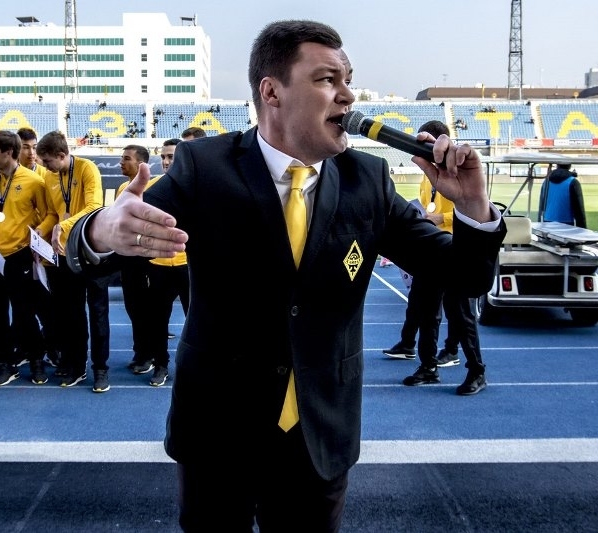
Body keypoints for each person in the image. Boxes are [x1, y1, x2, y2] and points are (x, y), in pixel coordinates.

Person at [64, 20, 506, 531]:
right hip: (218, 431)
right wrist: (100, 229)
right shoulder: (204, 166)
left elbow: (466, 277)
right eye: (327, 79)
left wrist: (473, 205)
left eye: (348, 80)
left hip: (321, 433)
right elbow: (102, 251)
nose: (348, 95)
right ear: (271, 92)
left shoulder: (368, 179)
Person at [388, 120, 489, 396]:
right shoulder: (427, 174)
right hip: (429, 251)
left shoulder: (457, 171)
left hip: (456, 251)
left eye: (428, 144)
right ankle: (428, 367)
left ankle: (477, 371)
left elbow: (470, 213)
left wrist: (439, 218)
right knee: (426, 312)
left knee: (462, 315)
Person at [35, 130, 111, 392]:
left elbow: (94, 206)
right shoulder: (49, 177)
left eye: (47, 161)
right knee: (70, 314)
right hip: (64, 254)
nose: (45, 167)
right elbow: (51, 213)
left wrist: (63, 225)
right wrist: (40, 231)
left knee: (98, 313)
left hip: (91, 251)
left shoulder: (87, 168)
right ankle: (75, 365)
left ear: (61, 155)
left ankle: (100, 369)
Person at [0, 130, 49, 386]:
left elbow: (47, 214)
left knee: (24, 313)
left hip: (19, 255)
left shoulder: (33, 181)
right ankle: (7, 363)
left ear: (8, 152)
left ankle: (36, 360)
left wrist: (40, 231)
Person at [144, 138, 189, 387]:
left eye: (171, 156)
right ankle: (160, 365)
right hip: (158, 264)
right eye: (163, 156)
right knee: (157, 320)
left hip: (189, 266)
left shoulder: (199, 187)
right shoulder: (151, 188)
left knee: (196, 320)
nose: (165, 161)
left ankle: (194, 366)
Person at [115, 144, 155, 374]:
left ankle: (149, 354)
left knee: (146, 309)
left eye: (126, 158)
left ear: (141, 164)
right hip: (127, 256)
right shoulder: (122, 188)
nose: (121, 162)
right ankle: (140, 351)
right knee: (132, 307)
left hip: (146, 257)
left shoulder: (154, 187)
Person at [538, 163, 586, 228]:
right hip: (566, 223)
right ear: (570, 166)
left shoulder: (546, 182)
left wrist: (539, 223)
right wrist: (582, 229)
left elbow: (541, 204)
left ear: (557, 165)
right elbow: (579, 209)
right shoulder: (573, 182)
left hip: (547, 221)